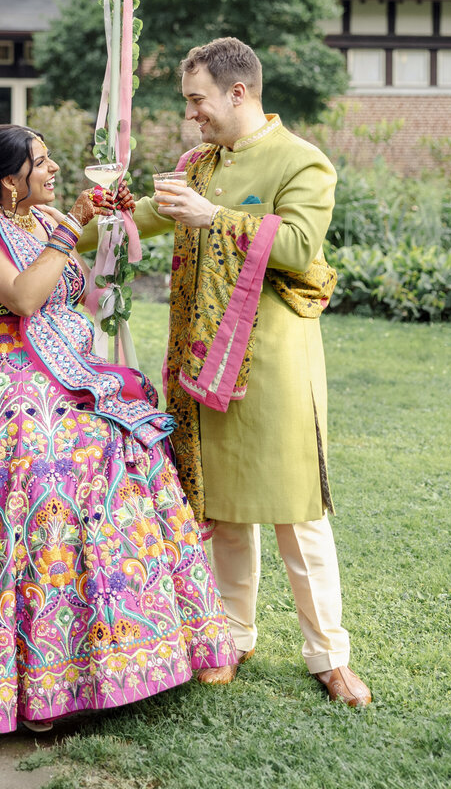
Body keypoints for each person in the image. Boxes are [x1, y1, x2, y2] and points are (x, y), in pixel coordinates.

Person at [0, 124, 236, 735]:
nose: (55, 168)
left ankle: (130, 646)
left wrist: (107, 231)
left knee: (131, 444)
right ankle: (44, 673)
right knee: (64, 466)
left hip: (68, 369)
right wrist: (71, 225)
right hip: (14, 377)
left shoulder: (39, 223)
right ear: (9, 180)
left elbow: (80, 298)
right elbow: (24, 298)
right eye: (42, 162)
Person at [109, 37, 371, 706]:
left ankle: (329, 654)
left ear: (238, 92)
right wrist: (51, 225)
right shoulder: (197, 164)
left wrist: (215, 218)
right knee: (224, 511)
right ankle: (231, 635)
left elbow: (299, 246)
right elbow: (142, 218)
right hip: (202, 361)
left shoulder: (302, 163)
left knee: (298, 514)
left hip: (274, 363)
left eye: (198, 100)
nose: (192, 114)